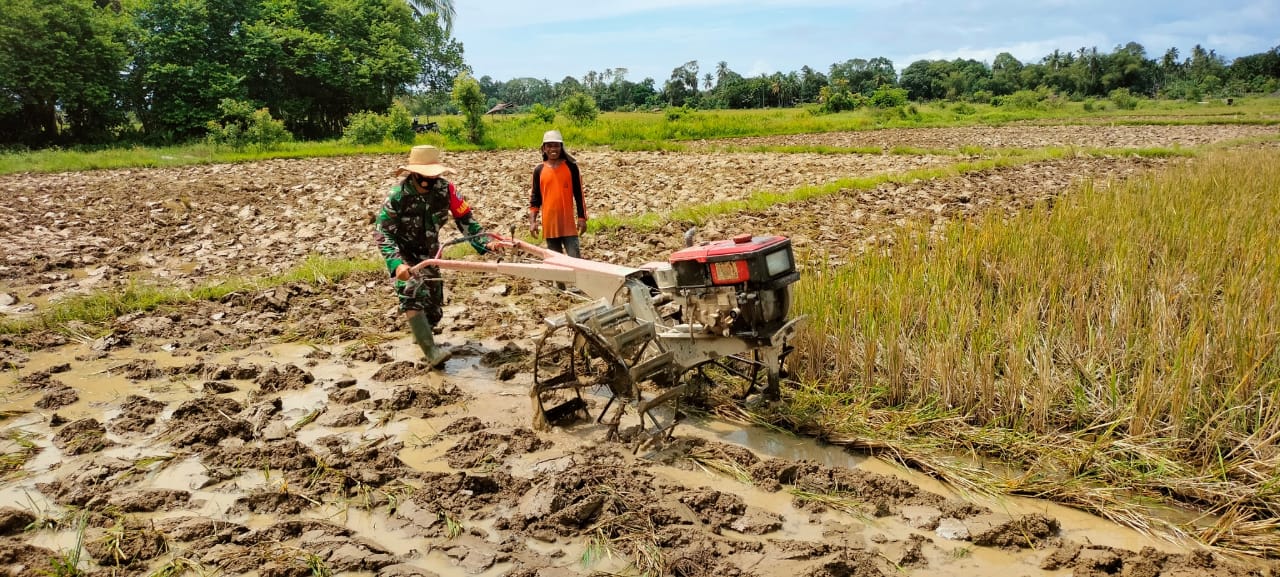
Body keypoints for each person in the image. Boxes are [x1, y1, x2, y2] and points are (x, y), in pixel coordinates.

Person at [374, 145, 498, 368]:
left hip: (429, 253)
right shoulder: (398, 196)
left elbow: (466, 220)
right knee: (411, 290)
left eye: (433, 175)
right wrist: (396, 263)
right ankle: (431, 352)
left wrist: (486, 244)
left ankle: (422, 334)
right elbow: (383, 232)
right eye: (424, 175)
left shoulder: (446, 190)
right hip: (404, 254)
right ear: (413, 173)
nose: (428, 180)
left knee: (433, 305)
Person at [529, 130, 587, 259]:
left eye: (556, 145)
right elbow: (535, 199)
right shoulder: (539, 170)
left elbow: (579, 195)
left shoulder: (571, 167)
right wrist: (532, 222)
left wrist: (582, 218)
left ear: (561, 147)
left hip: (568, 225)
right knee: (557, 261)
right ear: (544, 149)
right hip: (550, 225)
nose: (553, 149)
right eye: (549, 146)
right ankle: (560, 280)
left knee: (575, 259)